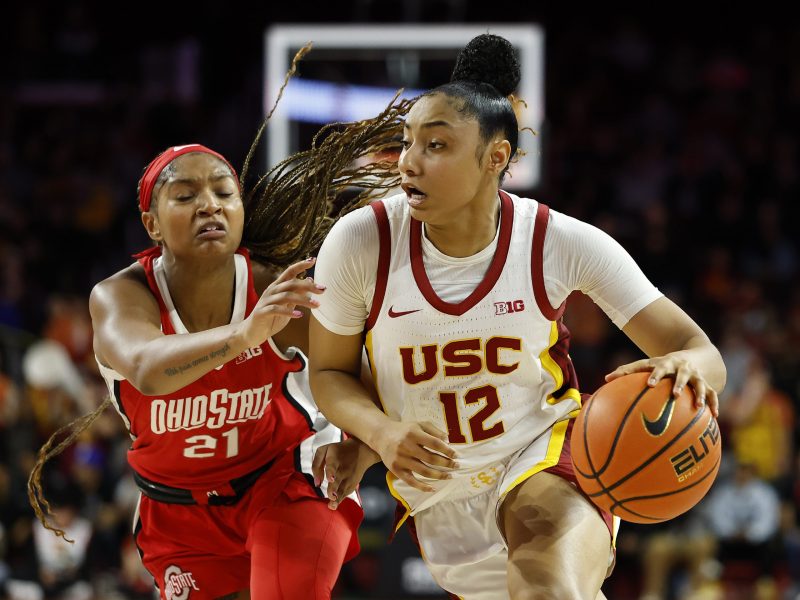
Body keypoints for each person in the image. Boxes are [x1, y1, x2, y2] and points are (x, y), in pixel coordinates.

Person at [308, 34, 727, 600]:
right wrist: (378, 433)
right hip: (439, 494)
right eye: (407, 142)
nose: (409, 161)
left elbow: (700, 351)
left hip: (544, 455)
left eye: (435, 145)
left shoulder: (557, 241)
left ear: (495, 158)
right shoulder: (361, 241)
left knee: (548, 588)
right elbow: (328, 375)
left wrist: (687, 366)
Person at [28, 65, 411, 599]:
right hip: (176, 511)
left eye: (223, 192)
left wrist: (363, 449)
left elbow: (382, 377)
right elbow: (147, 371)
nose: (209, 203)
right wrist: (244, 337)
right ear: (152, 224)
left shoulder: (278, 289)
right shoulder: (121, 296)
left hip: (287, 482)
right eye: (185, 195)